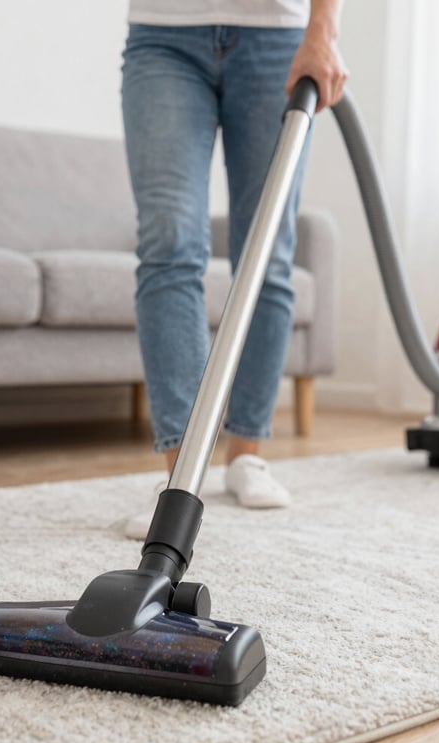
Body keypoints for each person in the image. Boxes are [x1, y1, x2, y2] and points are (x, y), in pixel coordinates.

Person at [121, 0, 347, 539]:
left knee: (267, 249)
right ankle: (182, 476)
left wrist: (323, 30)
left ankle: (247, 453)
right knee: (168, 244)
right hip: (163, 33)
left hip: (279, 37)